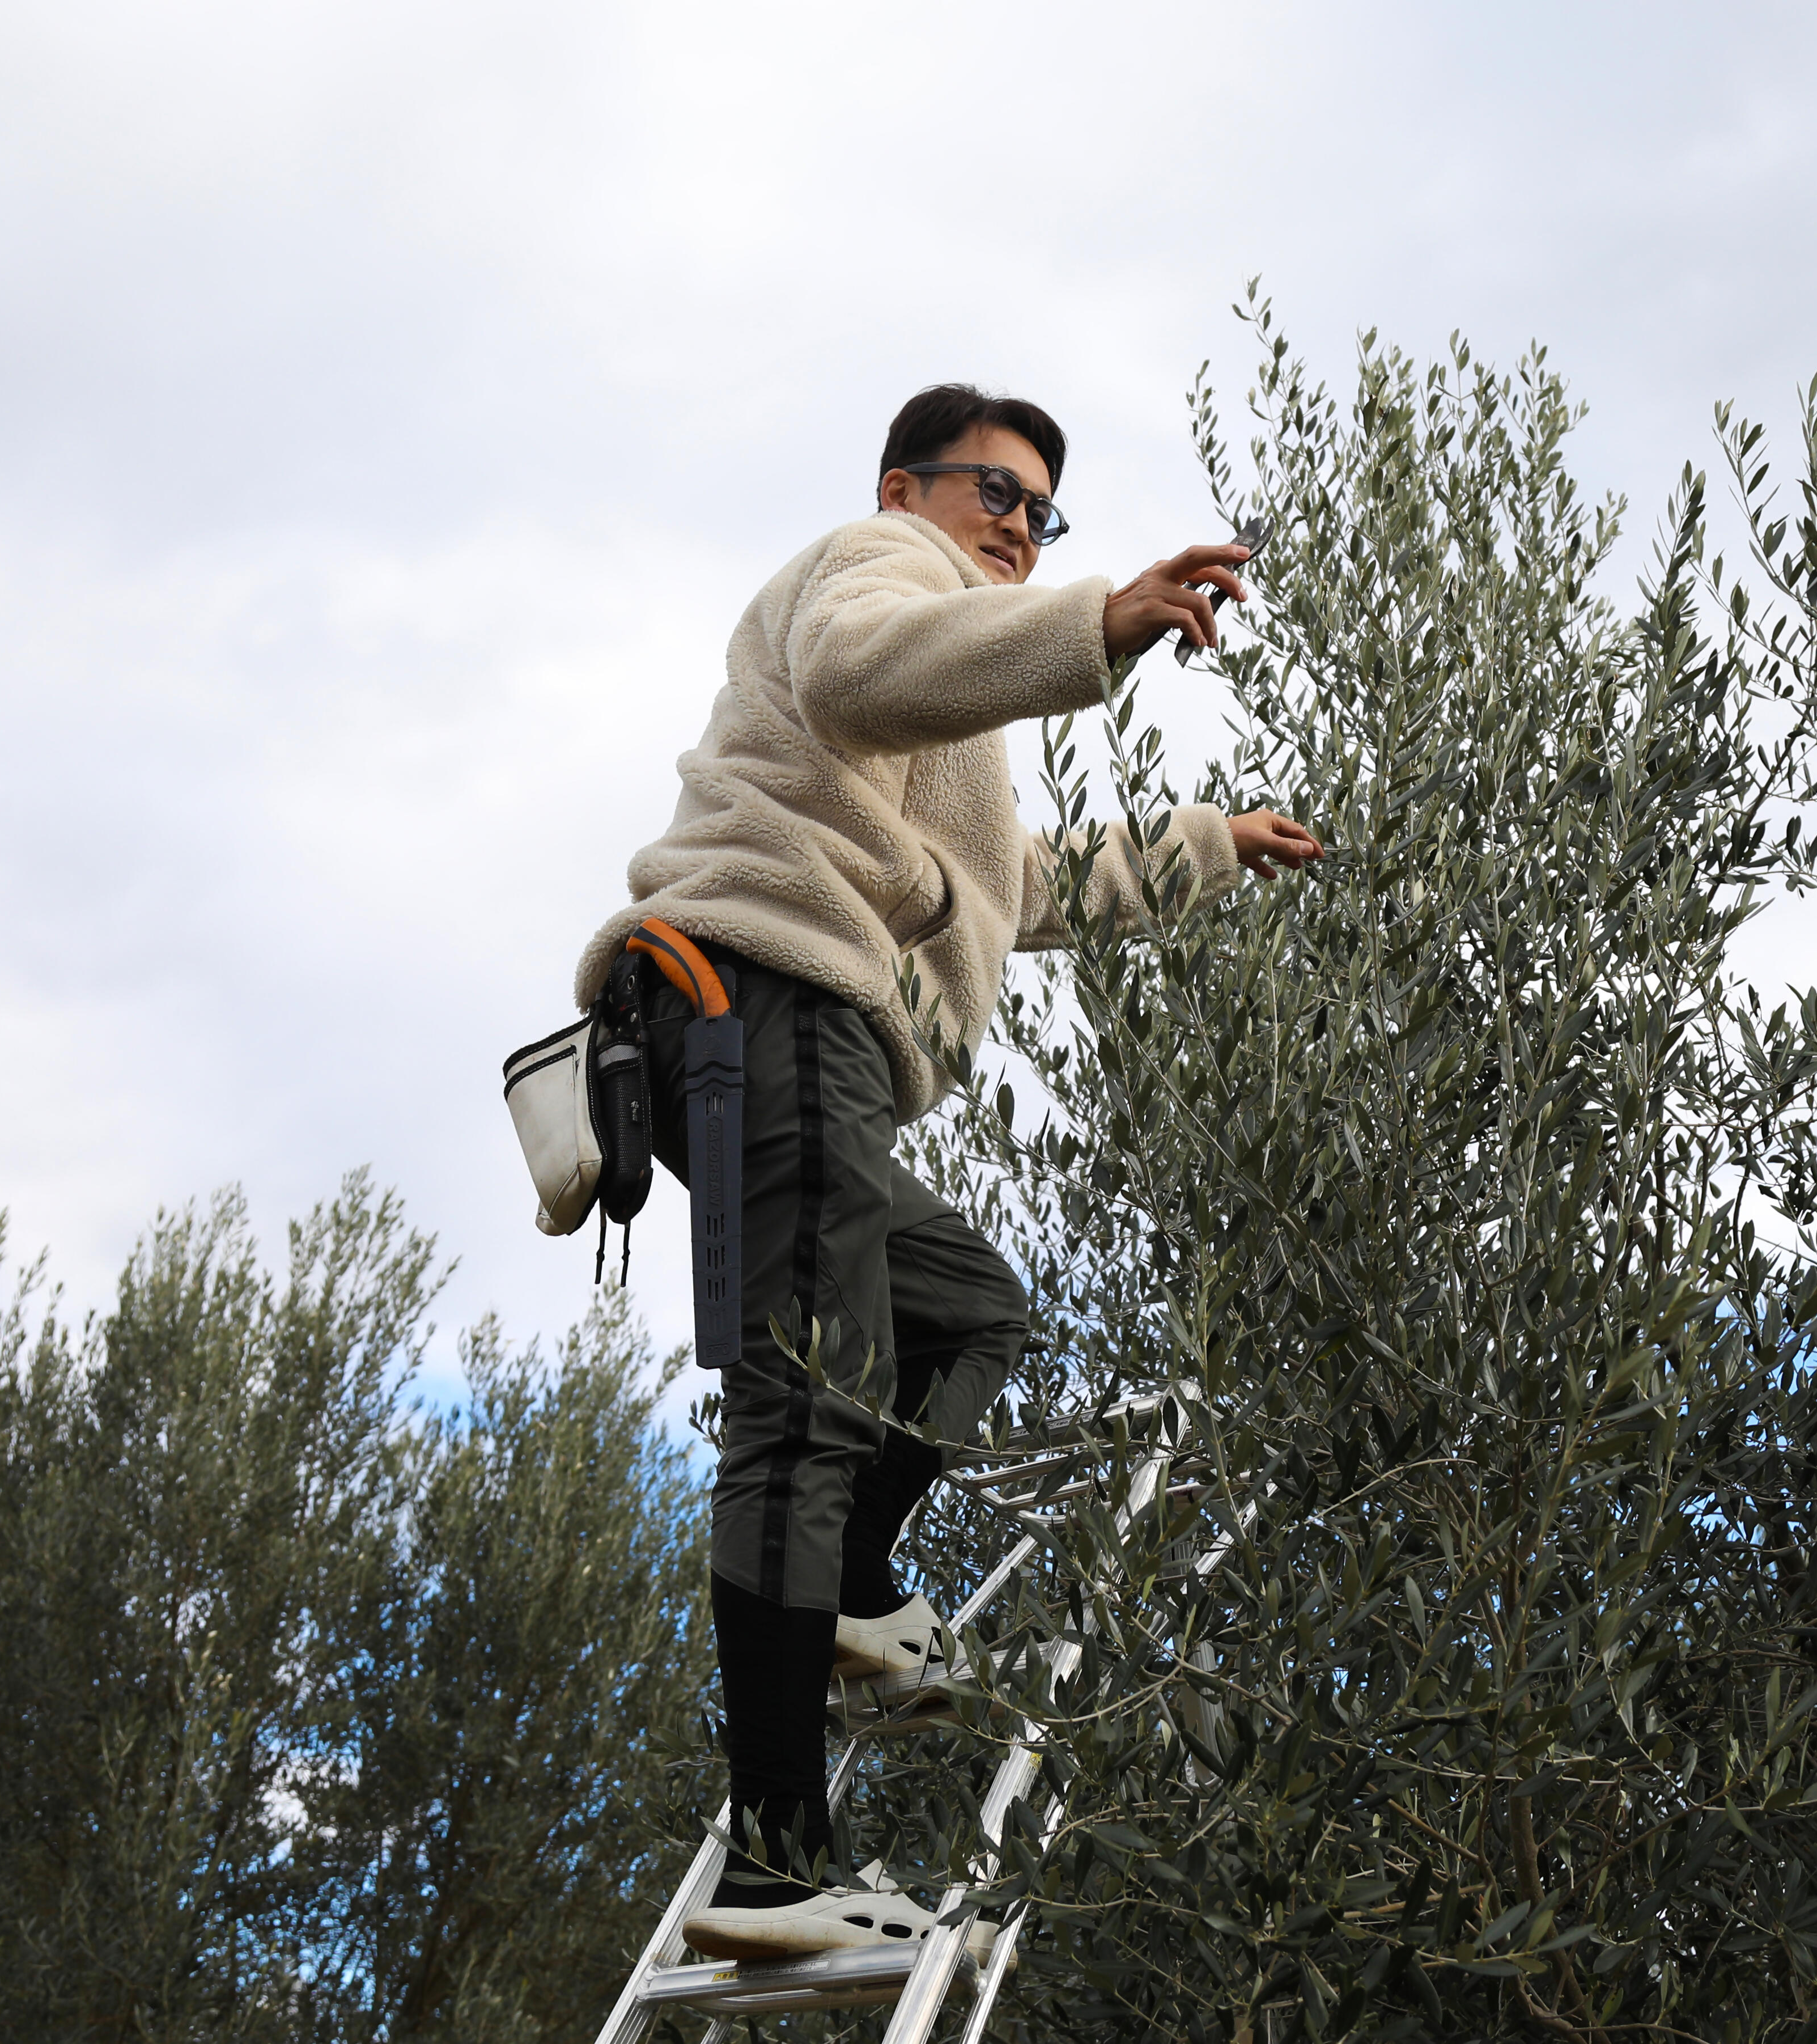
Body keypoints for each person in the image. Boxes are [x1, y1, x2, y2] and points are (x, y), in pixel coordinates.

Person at [569, 384, 1323, 1962]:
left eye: (1046, 517)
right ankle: (776, 1872)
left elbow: (1007, 890)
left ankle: (843, 1587)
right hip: (765, 1002)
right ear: (906, 487)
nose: (1021, 529)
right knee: (805, 1410)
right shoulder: (872, 571)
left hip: (805, 1044)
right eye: (998, 493)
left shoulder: (947, 695)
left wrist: (1201, 849)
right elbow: (861, 665)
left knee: (970, 1312)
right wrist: (1097, 622)